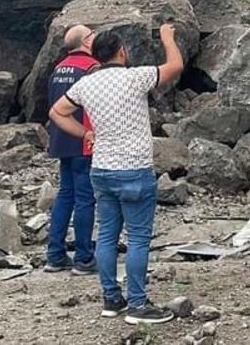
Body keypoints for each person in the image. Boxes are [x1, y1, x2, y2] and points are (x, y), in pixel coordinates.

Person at [49, 25, 184, 324]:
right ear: (122, 51)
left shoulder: (86, 84)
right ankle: (137, 304)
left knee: (107, 236)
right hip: (134, 168)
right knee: (137, 238)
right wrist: (167, 39)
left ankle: (111, 298)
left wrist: (86, 133)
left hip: (102, 169)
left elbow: (57, 112)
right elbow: (175, 66)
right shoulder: (135, 77)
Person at [43, 25, 98, 275]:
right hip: (83, 140)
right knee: (85, 198)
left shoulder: (58, 68)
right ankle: (84, 258)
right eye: (93, 35)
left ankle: (55, 255)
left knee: (65, 195)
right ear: (86, 41)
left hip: (61, 140)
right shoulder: (91, 68)